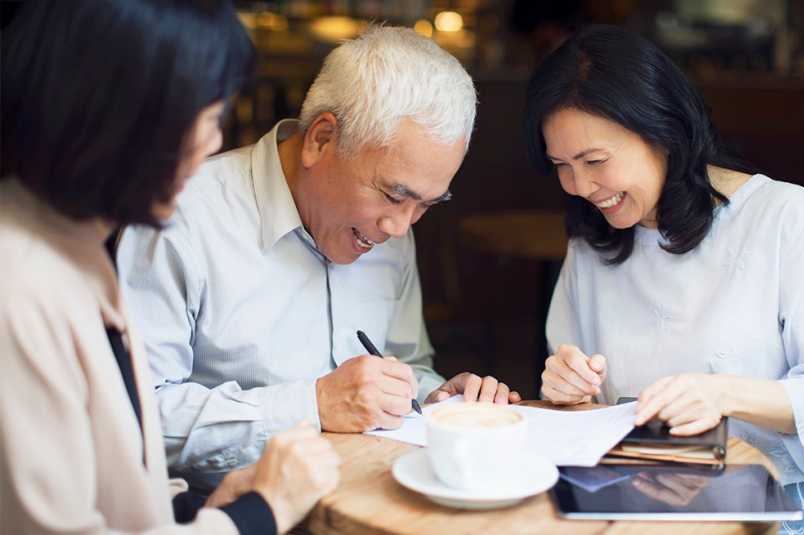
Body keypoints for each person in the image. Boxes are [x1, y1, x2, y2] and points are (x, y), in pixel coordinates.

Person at [116, 25, 521, 491]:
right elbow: (132, 414)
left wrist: (436, 397)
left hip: (374, 504)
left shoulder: (390, 228)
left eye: (427, 204)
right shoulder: (181, 219)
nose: (401, 228)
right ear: (322, 139)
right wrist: (313, 405)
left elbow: (407, 362)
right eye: (393, 194)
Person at [524, 26, 804, 534]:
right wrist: (568, 388)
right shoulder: (592, 243)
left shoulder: (780, 216)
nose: (580, 187)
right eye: (562, 166)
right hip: (648, 504)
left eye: (595, 161)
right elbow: (587, 408)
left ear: (663, 132)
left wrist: (722, 395)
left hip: (785, 500)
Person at [0, 1, 340, 533]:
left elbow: (112, 474)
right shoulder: (18, 289)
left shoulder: (77, 243)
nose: (215, 143)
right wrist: (258, 515)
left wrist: (195, 511)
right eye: (207, 117)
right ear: (121, 120)